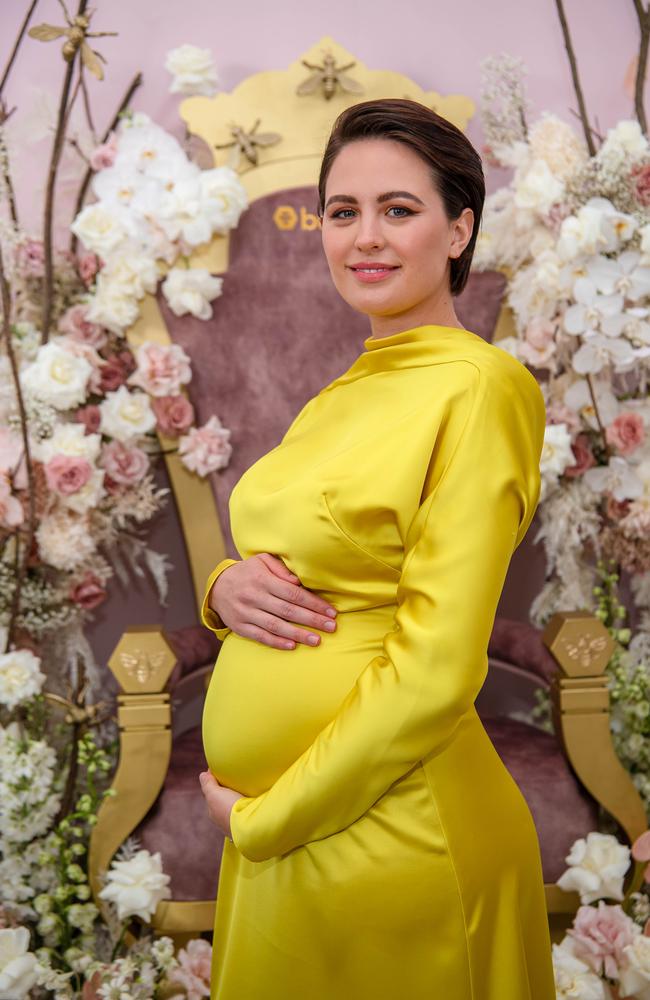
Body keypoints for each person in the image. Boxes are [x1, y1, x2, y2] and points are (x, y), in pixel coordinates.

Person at [198, 97, 556, 999]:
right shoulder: (348, 389)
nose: (366, 237)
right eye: (343, 211)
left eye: (399, 210)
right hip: (296, 832)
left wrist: (272, 819)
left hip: (395, 834)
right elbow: (321, 556)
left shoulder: (480, 386)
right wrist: (223, 589)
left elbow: (438, 666)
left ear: (459, 227)